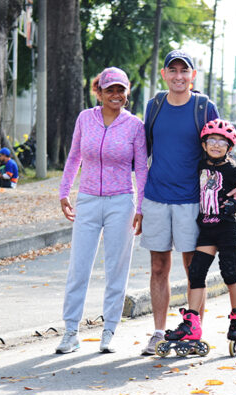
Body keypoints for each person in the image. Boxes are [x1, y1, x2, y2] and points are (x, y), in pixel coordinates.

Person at [55, 67, 148, 354]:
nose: (116, 95)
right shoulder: (86, 118)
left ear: (127, 92)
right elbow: (74, 157)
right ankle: (71, 331)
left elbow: (142, 168)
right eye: (110, 90)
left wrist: (141, 206)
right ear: (99, 92)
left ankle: (109, 331)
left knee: (116, 269)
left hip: (122, 201)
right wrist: (64, 191)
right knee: (78, 267)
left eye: (121, 89)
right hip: (88, 200)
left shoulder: (135, 126)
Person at [140, 49, 220, 355]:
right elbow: (143, 150)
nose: (178, 76)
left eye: (184, 71)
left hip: (192, 200)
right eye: (172, 71)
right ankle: (159, 332)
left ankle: (193, 329)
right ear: (164, 74)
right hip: (156, 197)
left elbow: (219, 148)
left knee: (193, 269)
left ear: (192, 76)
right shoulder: (155, 105)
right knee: (158, 266)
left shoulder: (203, 106)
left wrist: (228, 190)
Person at [163, 119, 236, 349]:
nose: (216, 145)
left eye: (221, 142)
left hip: (226, 229)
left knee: (229, 274)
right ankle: (191, 324)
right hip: (206, 229)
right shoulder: (198, 165)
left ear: (229, 147)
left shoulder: (231, 169)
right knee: (196, 273)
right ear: (204, 144)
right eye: (211, 141)